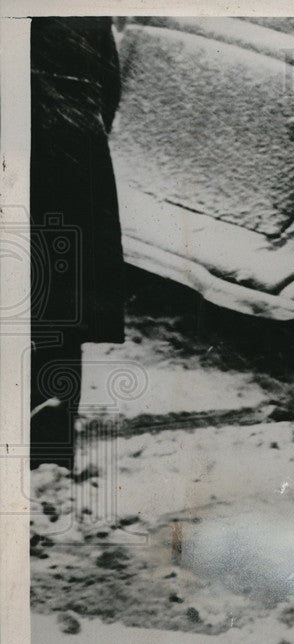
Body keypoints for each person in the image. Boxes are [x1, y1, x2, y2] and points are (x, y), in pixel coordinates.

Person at [30, 17, 125, 472]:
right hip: (76, 157)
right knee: (61, 310)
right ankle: (47, 447)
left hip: (26, 149)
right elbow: (110, 88)